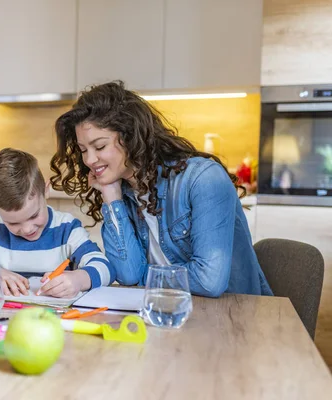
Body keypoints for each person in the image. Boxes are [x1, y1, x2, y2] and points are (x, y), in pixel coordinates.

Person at [49, 81, 272, 297]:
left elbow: (209, 281)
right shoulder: (123, 189)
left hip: (235, 317)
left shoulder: (203, 178)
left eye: (100, 146)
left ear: (131, 137)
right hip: (171, 309)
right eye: (83, 149)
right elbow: (127, 275)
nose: (89, 159)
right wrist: (111, 196)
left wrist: (146, 274)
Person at [0, 148, 114, 298]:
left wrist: (79, 279)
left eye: (33, 216)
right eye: (12, 222)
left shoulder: (66, 229)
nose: (26, 229)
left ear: (45, 191)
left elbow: (106, 268)